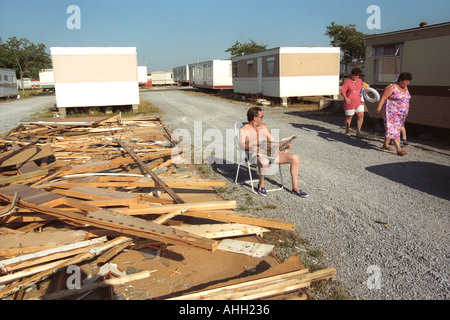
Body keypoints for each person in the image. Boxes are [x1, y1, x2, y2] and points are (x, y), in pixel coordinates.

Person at [239, 107, 309, 197]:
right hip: (254, 155)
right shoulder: (244, 129)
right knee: (264, 161)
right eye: (261, 117)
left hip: (268, 152)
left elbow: (273, 141)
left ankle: (295, 188)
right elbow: (241, 146)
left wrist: (284, 144)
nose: (263, 118)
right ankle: (261, 184)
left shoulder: (263, 127)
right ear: (255, 118)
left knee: (294, 158)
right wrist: (254, 145)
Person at [376, 72, 412, 156]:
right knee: (393, 129)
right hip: (391, 112)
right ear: (400, 80)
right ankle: (399, 149)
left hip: (401, 114)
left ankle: (385, 144)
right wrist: (378, 108)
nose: (408, 83)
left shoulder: (406, 88)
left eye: (408, 81)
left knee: (394, 129)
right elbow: (383, 98)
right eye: (406, 81)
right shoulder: (392, 87)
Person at [341, 68, 365, 138]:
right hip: (350, 102)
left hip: (359, 101)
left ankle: (358, 131)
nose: (356, 77)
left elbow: (363, 88)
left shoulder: (360, 81)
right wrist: (346, 98)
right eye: (355, 76)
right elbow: (343, 91)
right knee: (349, 117)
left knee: (361, 115)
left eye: (358, 76)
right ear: (351, 75)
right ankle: (347, 131)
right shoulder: (347, 82)